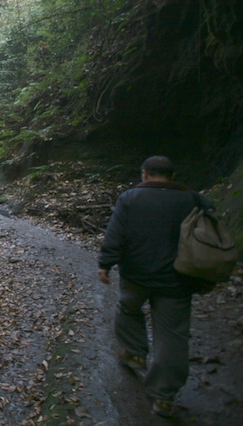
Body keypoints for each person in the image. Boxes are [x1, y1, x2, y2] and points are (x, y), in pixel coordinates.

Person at [97, 156, 214, 418]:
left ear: (145, 173)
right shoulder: (192, 200)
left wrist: (106, 263)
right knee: (173, 336)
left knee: (128, 309)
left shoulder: (130, 198)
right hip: (178, 280)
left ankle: (133, 353)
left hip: (136, 275)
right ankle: (163, 396)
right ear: (172, 176)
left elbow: (115, 233)